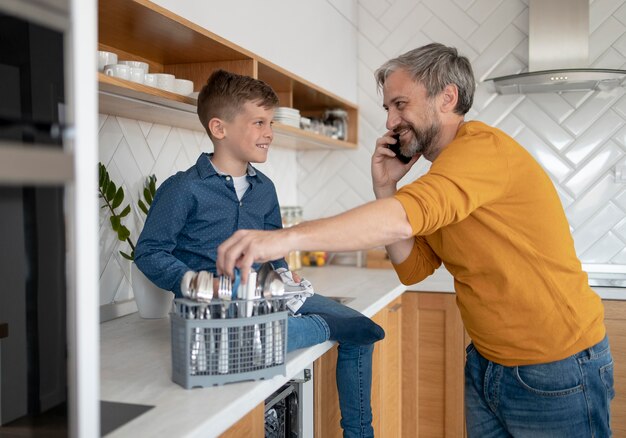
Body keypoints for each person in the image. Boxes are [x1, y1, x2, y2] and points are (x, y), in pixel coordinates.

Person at [216, 43, 615, 437]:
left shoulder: (481, 152)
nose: (390, 121)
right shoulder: (443, 177)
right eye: (388, 108)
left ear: (447, 97)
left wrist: (283, 240)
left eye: (400, 104)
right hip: (488, 362)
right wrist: (385, 185)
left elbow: (403, 220)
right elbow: (414, 267)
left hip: (556, 366)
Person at [134, 69, 384, 438]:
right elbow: (149, 252)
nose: (269, 132)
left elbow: (274, 247)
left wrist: (285, 274)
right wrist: (191, 281)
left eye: (270, 123)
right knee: (248, 341)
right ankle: (303, 330)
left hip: (269, 299)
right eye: (259, 122)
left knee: (365, 329)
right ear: (219, 129)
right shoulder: (183, 188)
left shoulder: (264, 188)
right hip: (213, 311)